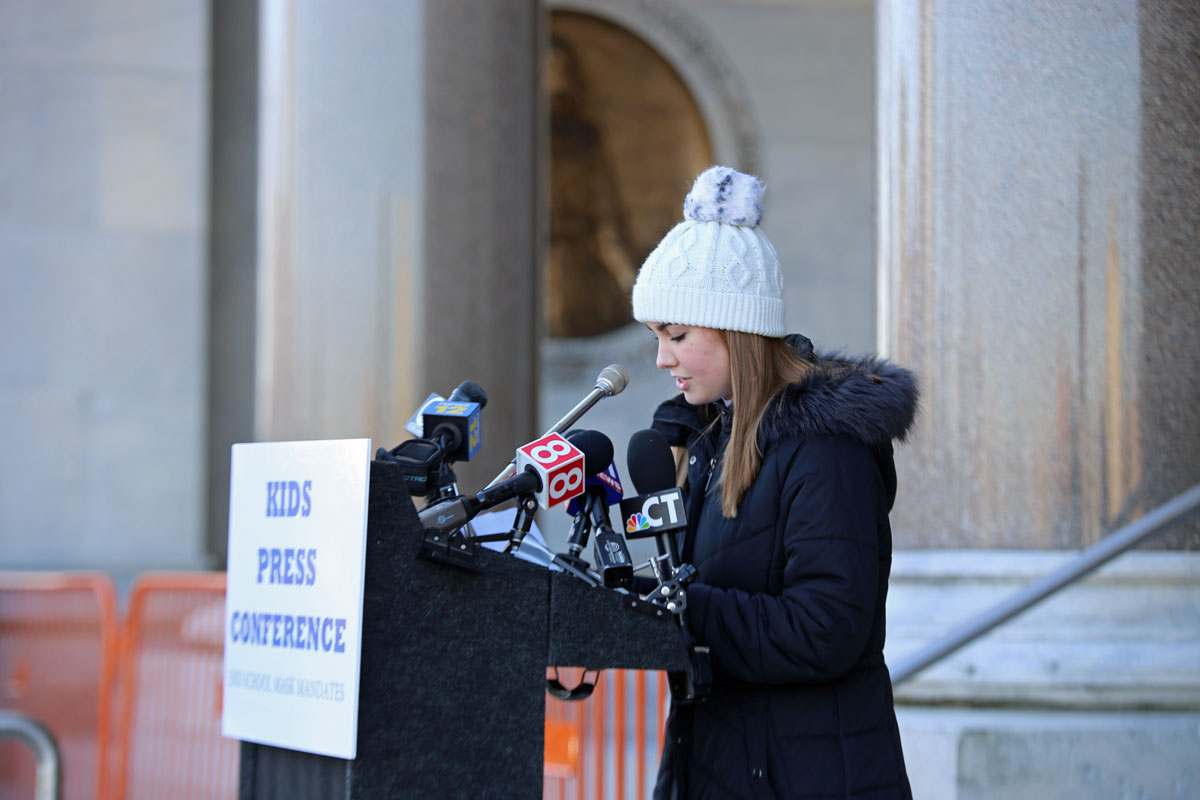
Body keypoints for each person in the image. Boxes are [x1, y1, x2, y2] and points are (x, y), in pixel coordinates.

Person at [631, 165, 916, 799]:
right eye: (656, 337)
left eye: (677, 335)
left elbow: (826, 629)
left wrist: (683, 604)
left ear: (734, 328)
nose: (661, 359)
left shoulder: (825, 448)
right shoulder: (711, 440)